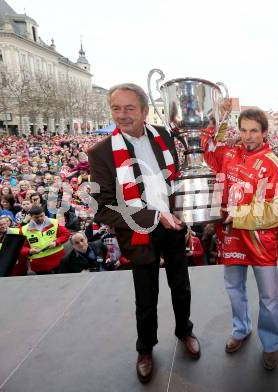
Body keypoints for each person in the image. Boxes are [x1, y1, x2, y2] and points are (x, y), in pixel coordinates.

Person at [88, 83, 200, 384]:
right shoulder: (100, 153)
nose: (122, 115)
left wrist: (184, 213)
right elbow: (102, 208)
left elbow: (176, 182)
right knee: (146, 297)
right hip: (138, 232)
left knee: (182, 287)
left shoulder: (165, 137)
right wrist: (153, 216)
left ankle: (184, 331)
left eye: (129, 108)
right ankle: (146, 349)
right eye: (116, 108)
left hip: (173, 227)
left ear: (145, 111)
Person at [203, 109, 278, 370]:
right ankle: (241, 329)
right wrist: (219, 118)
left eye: (254, 130)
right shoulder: (229, 154)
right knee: (234, 288)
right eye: (243, 130)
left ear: (264, 133)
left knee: (269, 298)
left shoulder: (273, 164)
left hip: (261, 241)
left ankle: (271, 344)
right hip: (231, 238)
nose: (248, 136)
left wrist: (238, 215)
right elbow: (206, 148)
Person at [21, 205, 70, 274]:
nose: (40, 218)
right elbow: (21, 247)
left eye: (42, 216)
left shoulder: (54, 222)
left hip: (58, 260)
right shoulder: (24, 229)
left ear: (44, 213)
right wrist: (29, 251)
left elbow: (66, 234)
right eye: (36, 217)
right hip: (39, 264)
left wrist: (56, 242)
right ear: (31, 217)